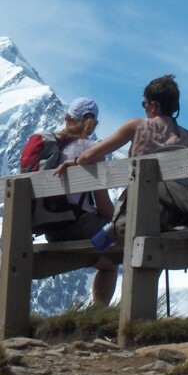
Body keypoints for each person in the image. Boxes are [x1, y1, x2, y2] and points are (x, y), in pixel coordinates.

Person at [53, 75, 188, 318]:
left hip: (130, 221)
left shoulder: (136, 127)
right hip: (180, 221)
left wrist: (75, 161)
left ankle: (102, 314)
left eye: (145, 104)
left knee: (102, 245)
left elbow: (90, 156)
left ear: (153, 105)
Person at [43, 97, 118, 305]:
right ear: (94, 124)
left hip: (52, 231)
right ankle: (99, 315)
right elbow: (104, 207)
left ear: (67, 119)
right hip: (81, 229)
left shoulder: (52, 149)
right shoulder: (91, 151)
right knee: (113, 255)